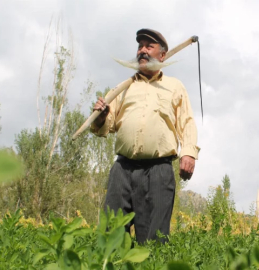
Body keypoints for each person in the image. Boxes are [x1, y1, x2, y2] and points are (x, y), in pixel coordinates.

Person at [91, 29, 200, 244]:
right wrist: (101, 117)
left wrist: (189, 153)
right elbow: (106, 126)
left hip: (158, 171)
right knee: (111, 235)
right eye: (140, 46)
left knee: (154, 240)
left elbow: (186, 122)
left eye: (149, 46)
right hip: (122, 170)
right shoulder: (124, 88)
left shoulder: (174, 87)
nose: (142, 50)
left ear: (162, 55)